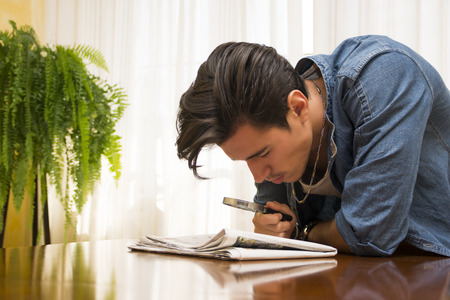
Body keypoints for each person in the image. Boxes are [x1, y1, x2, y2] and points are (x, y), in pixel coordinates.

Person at [176, 35, 450, 257]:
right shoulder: (269, 121)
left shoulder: (384, 75)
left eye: (262, 154)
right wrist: (274, 230)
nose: (258, 175)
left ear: (298, 107)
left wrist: (305, 234)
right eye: (246, 160)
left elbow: (370, 234)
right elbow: (280, 222)